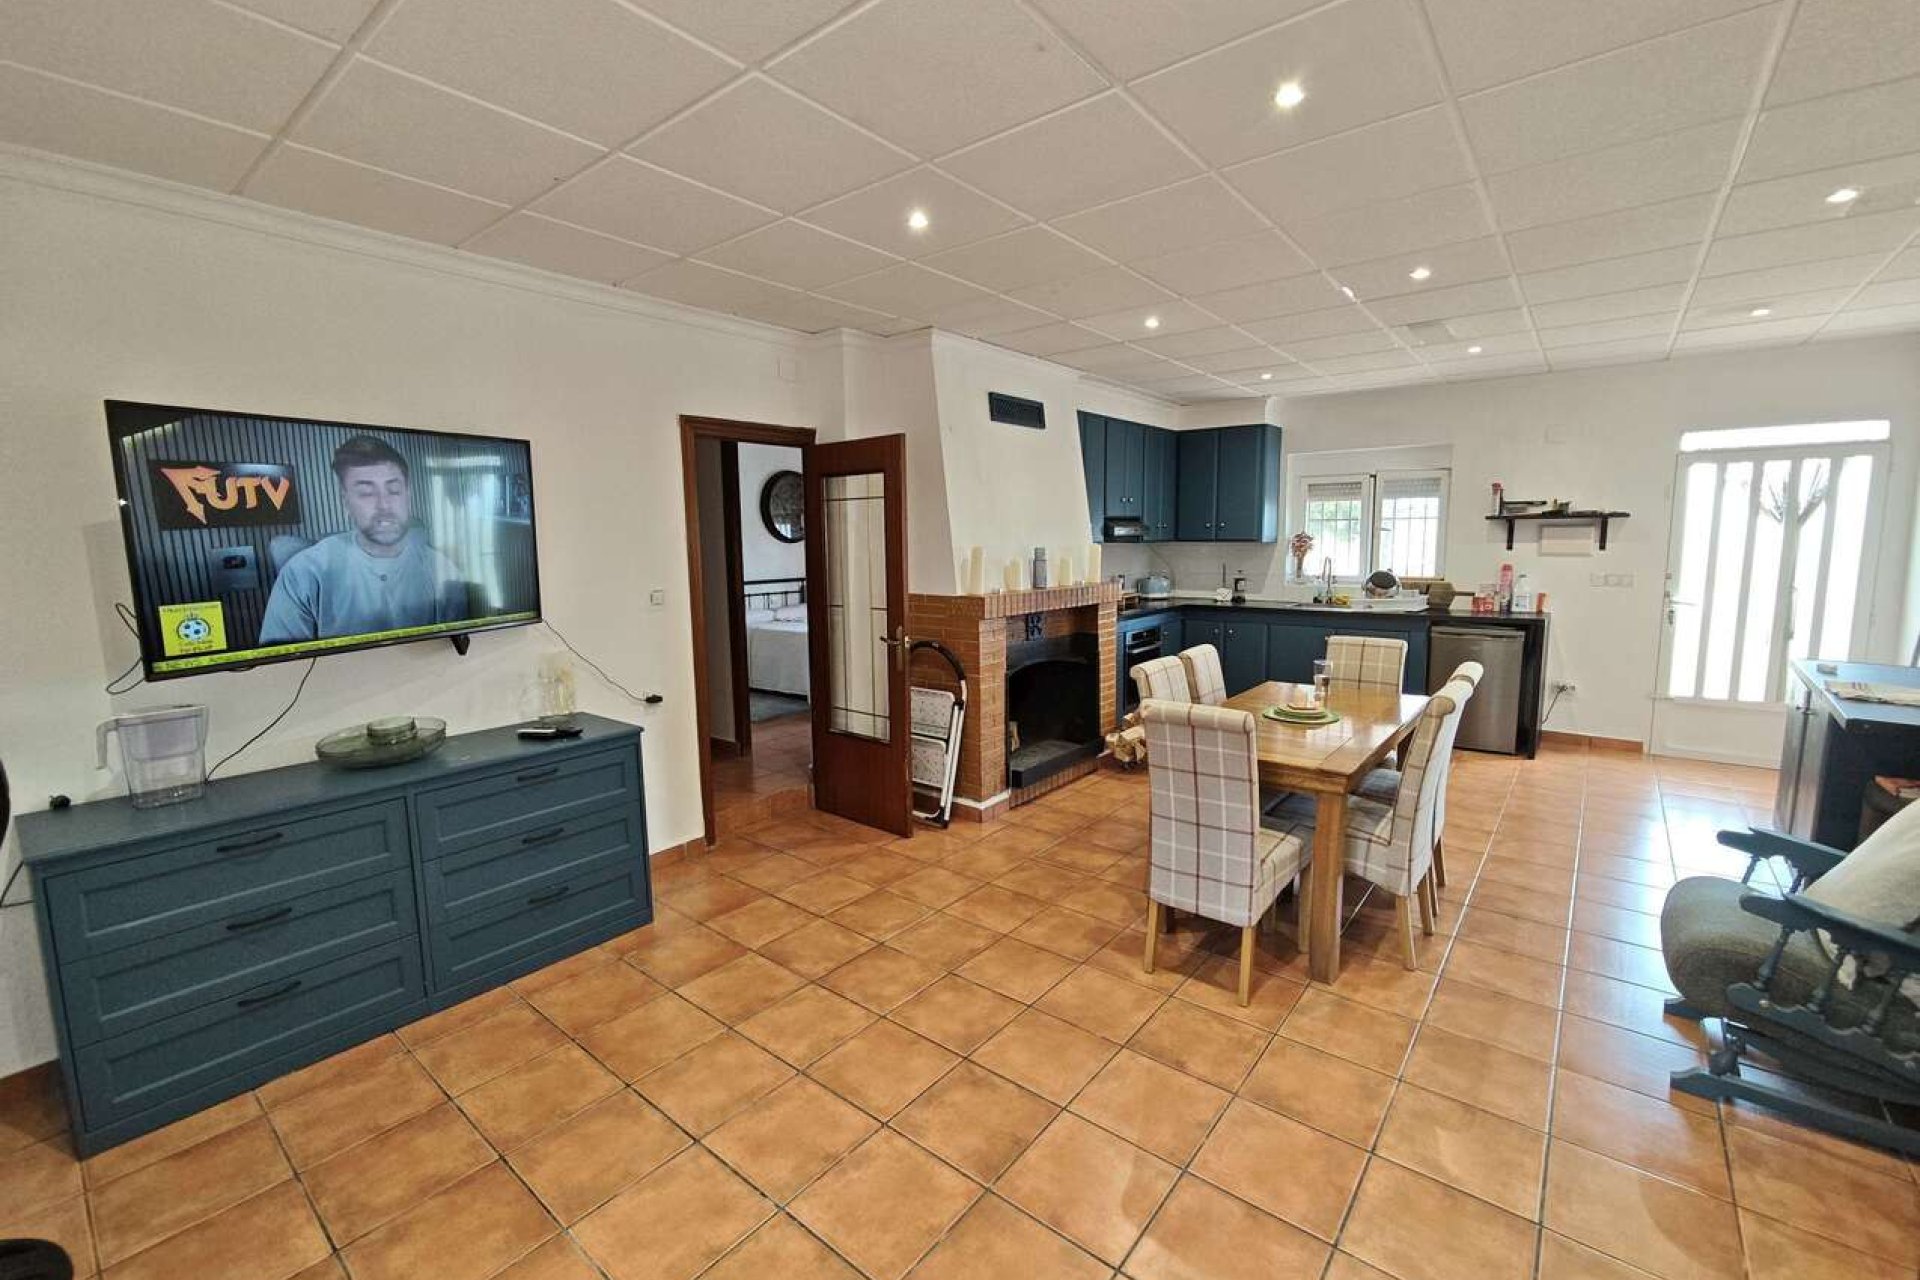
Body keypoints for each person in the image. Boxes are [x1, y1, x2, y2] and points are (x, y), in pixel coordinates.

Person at [260, 435, 468, 644]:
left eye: (394, 490)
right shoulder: (303, 574)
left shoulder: (443, 570)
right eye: (366, 493)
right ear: (346, 502)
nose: (384, 505)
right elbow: (280, 659)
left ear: (408, 495)